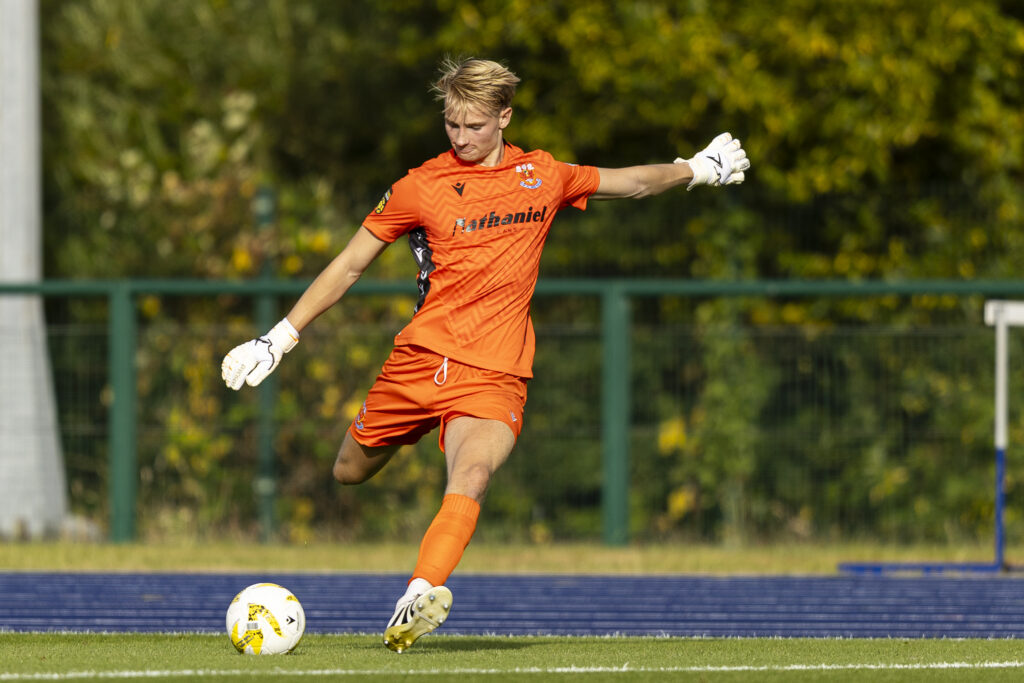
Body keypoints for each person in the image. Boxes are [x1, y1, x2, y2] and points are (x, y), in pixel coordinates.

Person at [221, 56, 749, 652]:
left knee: (471, 475)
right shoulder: (420, 186)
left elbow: (631, 182)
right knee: (348, 470)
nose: (461, 137)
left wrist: (696, 169)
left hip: (495, 371)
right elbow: (348, 265)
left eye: (473, 126)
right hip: (419, 361)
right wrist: (280, 337)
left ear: (504, 116)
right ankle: (410, 495)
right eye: (451, 124)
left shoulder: (542, 175)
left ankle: (417, 596)